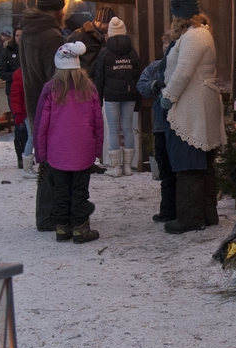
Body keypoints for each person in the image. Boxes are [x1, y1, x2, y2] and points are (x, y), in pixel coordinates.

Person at [159, 0, 225, 234]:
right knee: (202, 162)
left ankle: (189, 218)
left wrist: (168, 97)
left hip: (192, 104)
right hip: (199, 101)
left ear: (179, 15)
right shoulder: (200, 32)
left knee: (188, 163)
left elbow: (184, 72)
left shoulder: (195, 36)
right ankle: (207, 214)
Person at [34, 42, 103, 243]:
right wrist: (98, 148)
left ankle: (62, 228)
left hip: (57, 151)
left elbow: (41, 123)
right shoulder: (89, 87)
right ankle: (81, 228)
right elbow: (97, 121)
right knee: (80, 190)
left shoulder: (50, 88)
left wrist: (41, 152)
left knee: (60, 190)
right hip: (83, 148)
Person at [19, 0, 68, 174]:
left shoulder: (27, 31)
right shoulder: (51, 36)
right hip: (53, 110)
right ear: (58, 9)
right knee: (56, 170)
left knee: (47, 170)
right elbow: (58, 81)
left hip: (35, 105)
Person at [93, 16, 142, 177]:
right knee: (128, 129)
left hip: (111, 95)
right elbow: (137, 76)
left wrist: (98, 100)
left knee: (114, 130)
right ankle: (128, 166)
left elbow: (99, 78)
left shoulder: (104, 53)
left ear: (110, 33)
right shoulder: (132, 52)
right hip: (130, 94)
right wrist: (138, 99)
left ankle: (115, 167)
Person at [137, 34, 176, 222]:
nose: (166, 47)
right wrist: (155, 85)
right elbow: (141, 85)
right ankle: (167, 210)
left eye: (170, 44)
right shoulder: (155, 67)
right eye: (165, 44)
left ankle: (181, 209)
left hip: (180, 126)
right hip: (161, 126)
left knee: (179, 172)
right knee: (165, 172)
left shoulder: (181, 66)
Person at [1, 27, 26, 168]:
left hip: (28, 93)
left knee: (28, 126)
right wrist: (16, 76)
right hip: (14, 92)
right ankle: (20, 156)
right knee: (19, 124)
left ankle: (27, 154)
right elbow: (2, 72)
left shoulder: (30, 51)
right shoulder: (8, 52)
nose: (19, 38)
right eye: (17, 36)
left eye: (21, 36)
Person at [68, 5, 115, 69]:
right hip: (84, 77)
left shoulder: (101, 38)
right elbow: (68, 56)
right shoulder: (80, 35)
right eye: (110, 23)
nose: (111, 27)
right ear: (103, 21)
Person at [9, 67, 28, 168]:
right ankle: (21, 158)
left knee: (29, 136)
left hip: (29, 111)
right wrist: (18, 113)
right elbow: (15, 97)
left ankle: (26, 157)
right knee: (21, 135)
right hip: (22, 111)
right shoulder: (20, 74)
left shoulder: (30, 71)